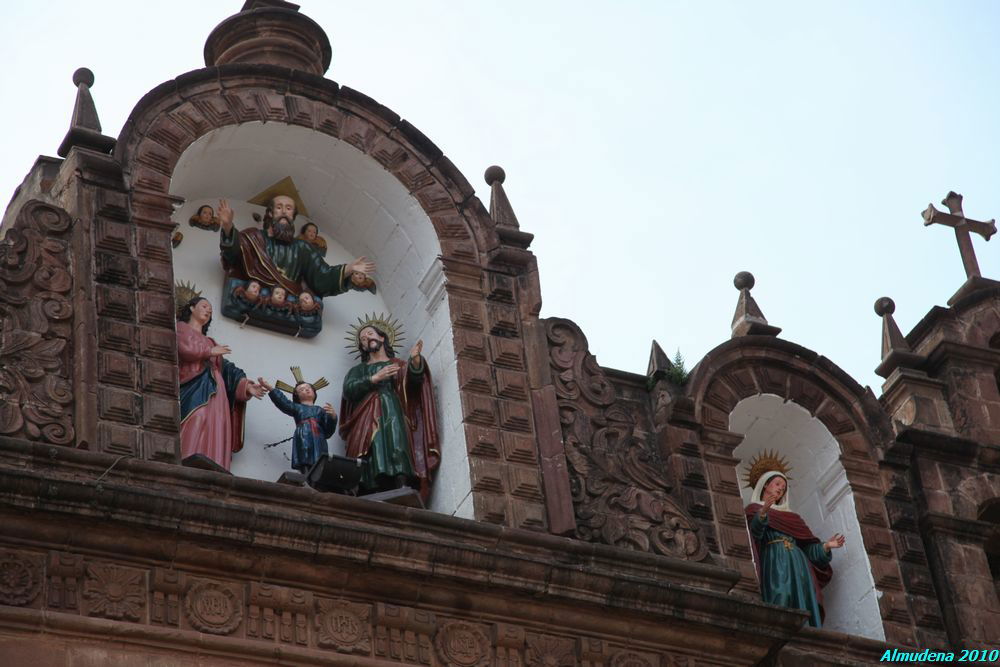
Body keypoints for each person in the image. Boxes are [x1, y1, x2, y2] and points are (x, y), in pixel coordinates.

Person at [339, 320, 440, 502]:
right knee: (371, 446)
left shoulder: (398, 364)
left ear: (382, 337)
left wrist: (416, 361)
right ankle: (367, 487)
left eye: (370, 334)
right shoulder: (359, 369)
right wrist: (374, 378)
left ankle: (400, 483)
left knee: (396, 442)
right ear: (362, 347)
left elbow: (414, 384)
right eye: (362, 339)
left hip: (391, 406)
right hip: (366, 412)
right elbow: (349, 390)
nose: (366, 338)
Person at [218, 195, 374, 299]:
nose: (284, 212)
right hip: (253, 294)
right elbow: (232, 256)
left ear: (293, 216)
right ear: (271, 213)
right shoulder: (251, 237)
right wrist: (227, 227)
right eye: (279, 207)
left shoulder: (302, 248)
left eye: (289, 208)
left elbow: (322, 278)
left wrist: (349, 268)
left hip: (289, 301)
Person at [744, 470, 846, 627]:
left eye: (783, 488)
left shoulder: (792, 517)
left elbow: (808, 549)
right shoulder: (753, 510)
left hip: (798, 563)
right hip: (774, 560)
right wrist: (763, 511)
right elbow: (754, 535)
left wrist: (826, 546)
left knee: (803, 598)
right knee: (780, 593)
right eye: (777, 484)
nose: (780, 489)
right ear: (765, 484)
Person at [177, 297, 266, 470]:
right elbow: (184, 349)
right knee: (196, 419)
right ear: (191, 308)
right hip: (194, 388)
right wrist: (208, 352)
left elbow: (227, 370)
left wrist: (246, 386)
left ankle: (215, 465)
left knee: (216, 427)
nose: (208, 311)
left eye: (210, 310)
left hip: (217, 394)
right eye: (204, 306)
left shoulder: (211, 342)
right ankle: (186, 461)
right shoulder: (181, 329)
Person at [257, 377, 337, 473]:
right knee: (304, 454)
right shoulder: (297, 407)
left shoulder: (320, 410)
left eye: (308, 388)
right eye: (301, 389)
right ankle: (306, 475)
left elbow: (328, 432)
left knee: (320, 457)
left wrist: (333, 417)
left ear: (314, 392)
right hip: (304, 434)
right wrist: (270, 388)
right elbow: (283, 403)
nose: (306, 390)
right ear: (297, 395)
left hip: (318, 437)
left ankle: (318, 479)